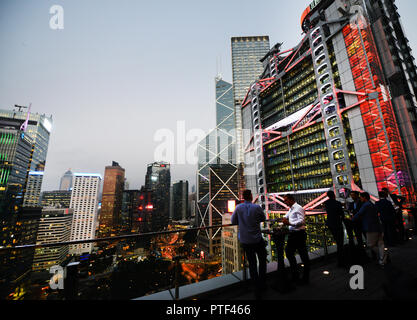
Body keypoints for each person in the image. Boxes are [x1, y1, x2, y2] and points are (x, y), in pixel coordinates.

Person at [231, 190, 267, 297]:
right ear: (251, 196)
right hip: (257, 239)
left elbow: (233, 221)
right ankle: (262, 283)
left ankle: (255, 286)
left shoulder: (238, 208)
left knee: (251, 264)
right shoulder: (257, 207)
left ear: (242, 197)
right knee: (262, 260)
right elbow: (263, 219)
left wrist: (242, 222)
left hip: (246, 241)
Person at [352, 192, 387, 267]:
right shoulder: (372, 204)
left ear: (364, 197)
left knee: (370, 245)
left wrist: (351, 219)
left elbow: (359, 214)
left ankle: (383, 256)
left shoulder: (366, 205)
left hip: (370, 227)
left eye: (361, 197)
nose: (360, 198)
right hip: (378, 226)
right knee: (380, 243)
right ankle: (382, 260)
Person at [282, 194, 310, 285]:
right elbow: (286, 216)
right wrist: (285, 219)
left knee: (301, 255)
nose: (284, 202)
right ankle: (297, 275)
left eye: (285, 200)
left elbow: (302, 221)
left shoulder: (298, 208)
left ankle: (303, 277)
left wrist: (289, 223)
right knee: (291, 253)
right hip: (294, 235)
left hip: (298, 235)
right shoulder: (292, 209)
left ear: (291, 200)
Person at [324, 191, 345, 267]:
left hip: (330, 224)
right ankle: (341, 261)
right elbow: (341, 214)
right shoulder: (338, 203)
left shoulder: (326, 203)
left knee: (337, 241)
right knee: (340, 243)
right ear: (334, 195)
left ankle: (340, 261)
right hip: (337, 224)